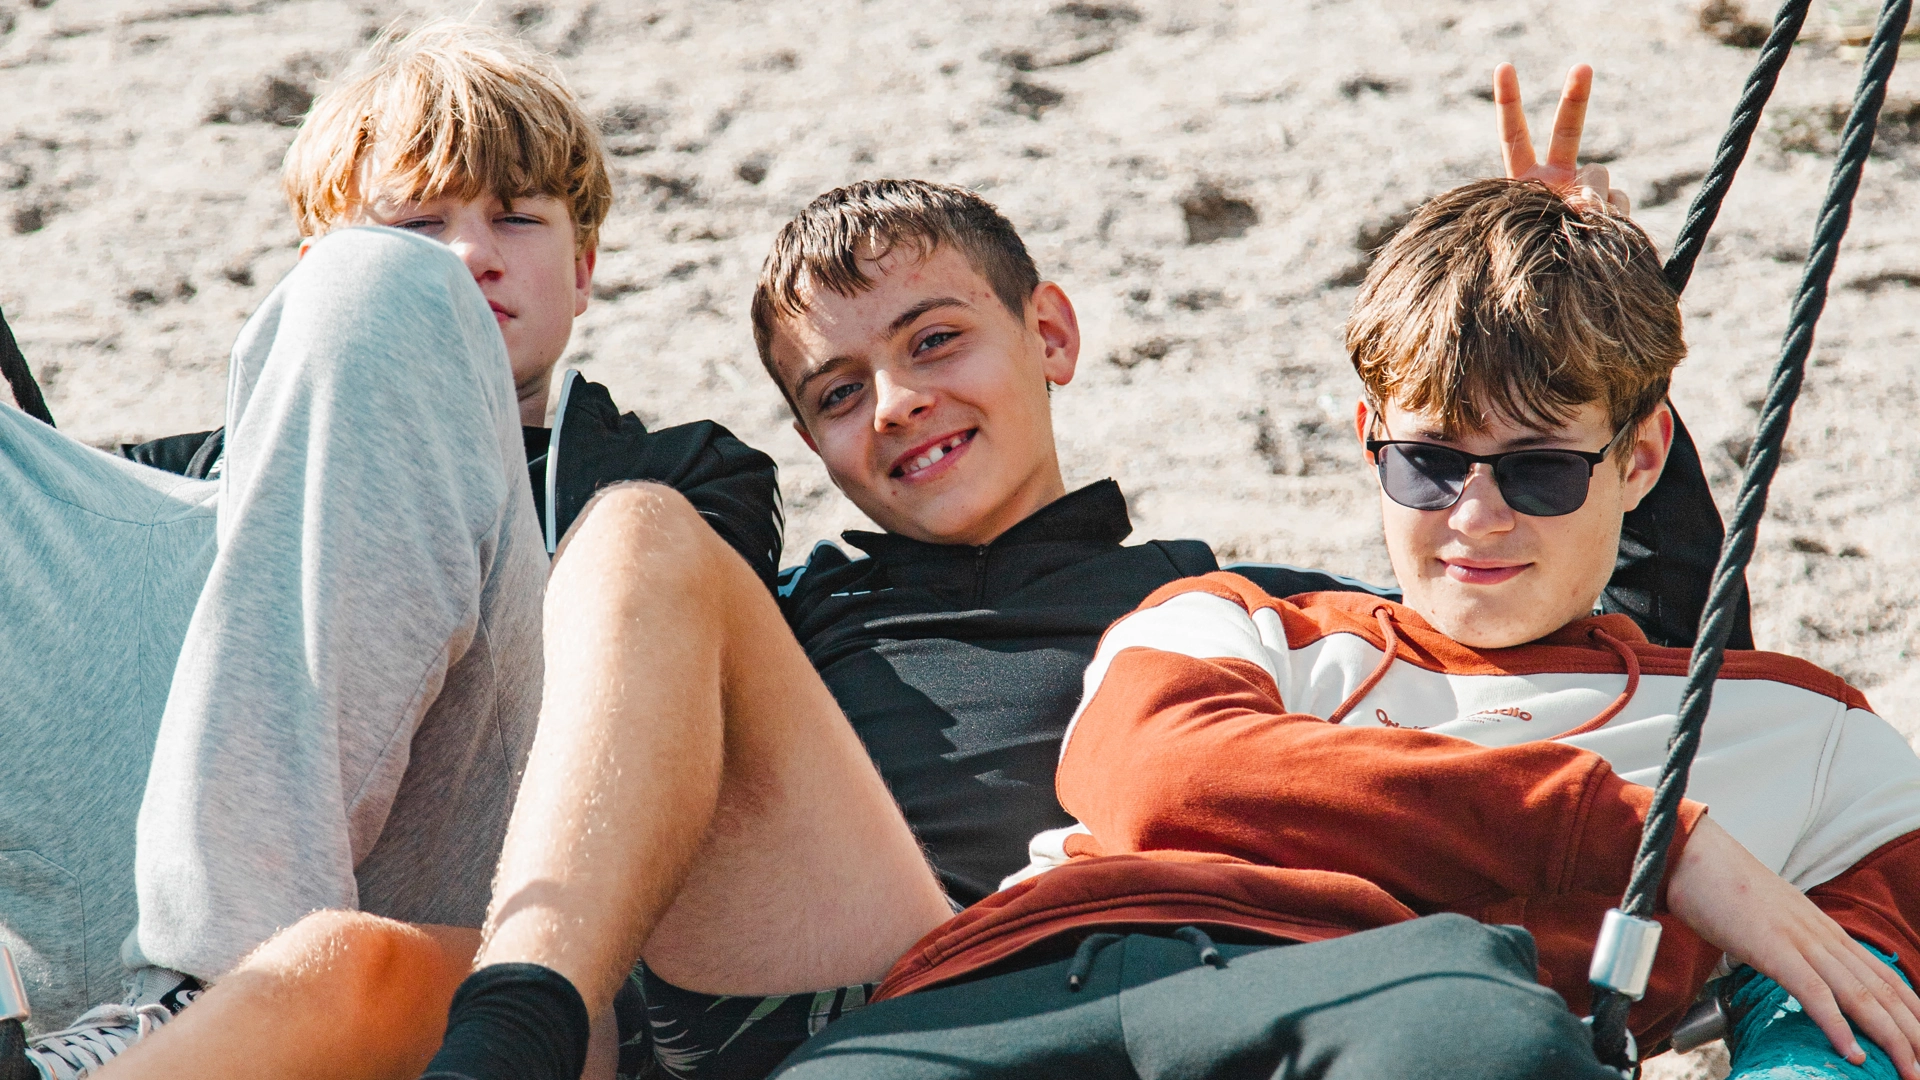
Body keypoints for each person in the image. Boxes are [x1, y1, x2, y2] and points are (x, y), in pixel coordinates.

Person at [88, 66, 1754, 1080]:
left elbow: (1634, 651)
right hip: (860, 974)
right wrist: (413, 336)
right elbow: (492, 570)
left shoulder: (1238, 601)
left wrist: (1583, 340)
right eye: (836, 393)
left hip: (1158, 952)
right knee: (617, 573)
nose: (894, 403)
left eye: (936, 340)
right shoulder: (791, 612)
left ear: (1051, 334)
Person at [772, 178, 1920, 1080]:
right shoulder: (1236, 618)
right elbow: (1162, 774)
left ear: (1641, 457)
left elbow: (1861, 1005)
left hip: (1410, 1007)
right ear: (1370, 438)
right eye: (1427, 464)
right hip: (1044, 974)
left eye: (1541, 471)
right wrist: (1646, 839)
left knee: (1489, 1047)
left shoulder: (1803, 735)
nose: (1475, 518)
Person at [0, 20, 775, 1080]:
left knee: (398, 304)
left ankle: (220, 980)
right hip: (106, 969)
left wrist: (395, 296)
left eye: (516, 217)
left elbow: (658, 741)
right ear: (308, 284)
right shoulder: (197, 471)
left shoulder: (673, 475)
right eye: (417, 225)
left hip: (498, 943)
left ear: (585, 267)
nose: (469, 255)